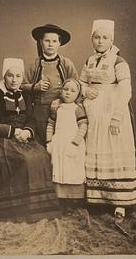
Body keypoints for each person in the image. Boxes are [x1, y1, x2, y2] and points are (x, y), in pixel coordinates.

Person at [0, 58, 60, 223]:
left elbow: (31, 119)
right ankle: (13, 206)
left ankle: (35, 206)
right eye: (10, 75)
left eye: (18, 76)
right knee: (24, 159)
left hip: (23, 137)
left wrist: (26, 132)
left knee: (42, 156)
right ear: (4, 77)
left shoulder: (25, 97)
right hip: (0, 139)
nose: (14, 79)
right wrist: (13, 131)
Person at [79, 19, 136, 223]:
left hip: (112, 113)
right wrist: (85, 90)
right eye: (96, 37)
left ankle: (120, 202)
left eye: (104, 37)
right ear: (91, 39)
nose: (100, 41)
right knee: (95, 150)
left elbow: (126, 90)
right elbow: (80, 83)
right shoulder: (89, 61)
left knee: (115, 152)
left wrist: (117, 116)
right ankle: (98, 199)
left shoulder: (118, 61)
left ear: (111, 39)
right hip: (93, 114)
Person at [23, 24, 78, 146]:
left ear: (59, 43)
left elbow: (76, 85)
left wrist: (61, 100)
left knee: (61, 140)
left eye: (54, 41)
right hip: (39, 111)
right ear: (41, 42)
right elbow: (22, 85)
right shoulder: (34, 65)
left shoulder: (66, 63)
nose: (50, 44)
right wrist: (35, 87)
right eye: (47, 41)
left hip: (62, 109)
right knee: (43, 142)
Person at [46, 79, 88, 213]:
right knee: (59, 169)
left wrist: (75, 143)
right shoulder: (56, 108)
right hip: (59, 143)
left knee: (73, 169)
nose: (68, 93)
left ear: (78, 94)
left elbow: (83, 126)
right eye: (66, 89)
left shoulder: (78, 109)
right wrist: (49, 142)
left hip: (72, 143)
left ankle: (73, 200)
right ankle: (61, 200)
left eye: (72, 91)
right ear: (61, 91)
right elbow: (50, 125)